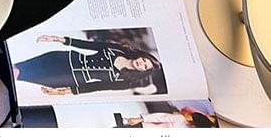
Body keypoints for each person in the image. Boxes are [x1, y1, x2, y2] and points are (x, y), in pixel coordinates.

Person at [13, 34, 163, 96]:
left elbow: (96, 87)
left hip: (67, 78)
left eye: (145, 67)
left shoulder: (124, 82)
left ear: (143, 71)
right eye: (144, 60)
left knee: (21, 74)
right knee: (18, 67)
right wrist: (58, 39)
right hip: (65, 58)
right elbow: (90, 45)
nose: (141, 63)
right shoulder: (119, 49)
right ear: (142, 56)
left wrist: (61, 92)